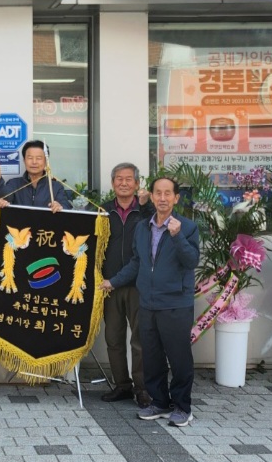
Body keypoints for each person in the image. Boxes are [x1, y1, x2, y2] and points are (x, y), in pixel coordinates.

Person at [100, 176, 200, 428]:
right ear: (152, 197)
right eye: (158, 193)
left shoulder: (187, 227)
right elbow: (137, 262)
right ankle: (160, 402)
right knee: (152, 357)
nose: (163, 198)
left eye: (168, 193)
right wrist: (114, 281)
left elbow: (191, 261)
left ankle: (182, 407)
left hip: (175, 303)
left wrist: (177, 236)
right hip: (148, 302)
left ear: (176, 198)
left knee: (179, 358)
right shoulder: (143, 227)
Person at [100, 163, 154, 407]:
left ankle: (142, 388)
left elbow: (156, 230)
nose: (123, 183)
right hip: (109, 284)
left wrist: (146, 205)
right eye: (119, 179)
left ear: (137, 183)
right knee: (113, 338)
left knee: (140, 340)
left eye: (128, 179)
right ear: (113, 183)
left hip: (138, 284)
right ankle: (122, 385)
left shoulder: (145, 211)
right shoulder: (103, 211)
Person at [0, 140, 76, 212]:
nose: (34, 162)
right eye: (30, 158)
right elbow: (4, 196)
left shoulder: (56, 187)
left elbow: (66, 205)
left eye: (39, 158)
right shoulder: (14, 183)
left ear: (46, 162)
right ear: (24, 160)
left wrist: (60, 206)